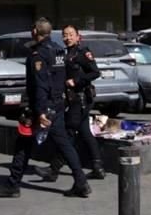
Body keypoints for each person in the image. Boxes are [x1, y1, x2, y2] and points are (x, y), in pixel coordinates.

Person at [0, 18, 92, 198]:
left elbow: (40, 85)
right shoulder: (58, 51)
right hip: (58, 104)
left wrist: (39, 112)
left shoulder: (38, 55)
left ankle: (13, 184)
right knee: (63, 144)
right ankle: (81, 182)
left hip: (43, 106)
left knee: (23, 144)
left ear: (34, 32)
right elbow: (60, 77)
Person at [35, 25, 104, 181]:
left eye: (71, 35)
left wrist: (77, 81)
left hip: (81, 100)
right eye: (65, 35)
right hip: (73, 100)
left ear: (78, 36)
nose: (68, 38)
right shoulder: (66, 53)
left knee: (68, 134)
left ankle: (54, 169)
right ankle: (98, 167)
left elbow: (95, 72)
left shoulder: (82, 53)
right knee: (85, 132)